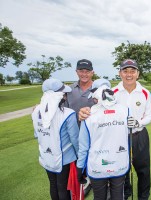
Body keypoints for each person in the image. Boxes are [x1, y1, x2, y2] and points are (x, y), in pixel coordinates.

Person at [78, 59, 151, 200]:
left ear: (138, 73)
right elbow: (98, 110)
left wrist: (138, 122)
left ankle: (143, 197)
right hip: (119, 137)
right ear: (120, 73)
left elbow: (150, 114)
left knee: (143, 171)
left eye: (132, 71)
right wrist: (85, 111)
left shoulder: (144, 93)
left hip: (139, 135)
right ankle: (125, 195)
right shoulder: (113, 92)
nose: (129, 74)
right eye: (125, 71)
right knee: (121, 170)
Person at [76, 79, 130, 200]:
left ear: (95, 96)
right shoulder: (125, 110)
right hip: (119, 164)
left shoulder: (88, 115)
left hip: (97, 166)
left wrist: (80, 169)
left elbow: (83, 147)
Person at [32, 78, 79, 200]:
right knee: (62, 187)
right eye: (64, 94)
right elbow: (75, 139)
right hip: (64, 158)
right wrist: (80, 156)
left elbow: (37, 134)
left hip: (46, 157)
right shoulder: (68, 113)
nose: (65, 96)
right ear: (60, 96)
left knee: (53, 185)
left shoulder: (36, 111)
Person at [64, 58, 94, 195]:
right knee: (79, 160)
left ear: (92, 72)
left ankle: (94, 180)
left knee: (94, 158)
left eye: (87, 71)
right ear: (76, 72)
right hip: (74, 133)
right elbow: (61, 111)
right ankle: (84, 182)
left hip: (95, 133)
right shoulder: (68, 90)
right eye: (81, 71)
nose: (84, 74)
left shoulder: (99, 89)